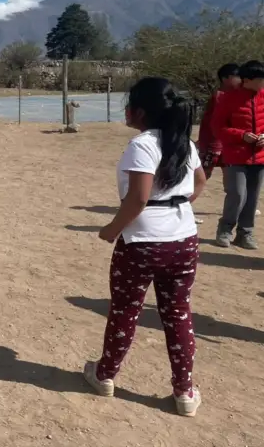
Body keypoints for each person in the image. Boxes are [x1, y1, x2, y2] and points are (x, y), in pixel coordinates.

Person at [83, 77, 205, 417]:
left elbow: (138, 198)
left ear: (140, 111)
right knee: (178, 313)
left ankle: (105, 374)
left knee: (125, 311)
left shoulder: (143, 145)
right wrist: (176, 205)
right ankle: (184, 391)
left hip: (143, 242)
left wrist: (111, 229)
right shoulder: (184, 142)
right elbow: (201, 182)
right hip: (184, 239)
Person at [212, 59, 264, 250]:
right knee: (237, 194)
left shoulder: (263, 96)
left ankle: (245, 233)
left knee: (252, 196)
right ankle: (225, 229)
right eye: (259, 80)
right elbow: (218, 127)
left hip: (259, 156)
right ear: (247, 80)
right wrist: (241, 135)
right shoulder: (228, 98)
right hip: (236, 155)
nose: (262, 84)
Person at [197, 63, 240, 181]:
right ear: (225, 78)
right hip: (213, 144)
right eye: (237, 76)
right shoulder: (219, 97)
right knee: (202, 176)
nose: (240, 79)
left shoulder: (233, 97)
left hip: (226, 144)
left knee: (231, 179)